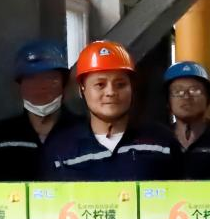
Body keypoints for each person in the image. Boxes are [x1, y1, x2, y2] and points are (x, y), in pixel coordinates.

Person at [44, 40, 182, 181]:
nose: (110, 92)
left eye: (120, 84)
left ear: (132, 88)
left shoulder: (162, 142)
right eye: (100, 85)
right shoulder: (61, 148)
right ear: (82, 89)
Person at [0, 40, 80, 181]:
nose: (40, 86)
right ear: (19, 87)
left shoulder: (86, 134)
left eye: (50, 78)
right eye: (31, 79)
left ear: (65, 84)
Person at [162, 61, 210, 180]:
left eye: (195, 90)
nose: (186, 97)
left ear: (208, 98)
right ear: (167, 101)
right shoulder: (158, 143)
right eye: (177, 91)